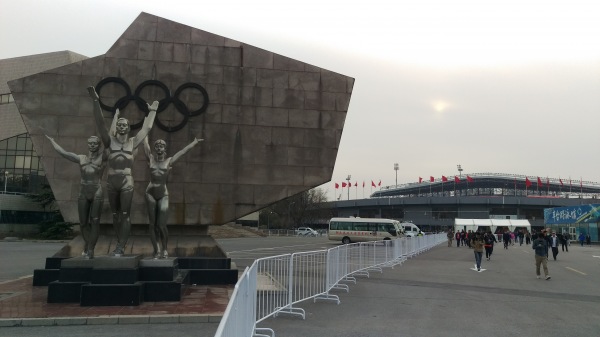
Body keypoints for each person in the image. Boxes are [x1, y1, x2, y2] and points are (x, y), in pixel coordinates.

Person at [89, 86, 158, 256]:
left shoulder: (132, 143)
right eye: (119, 124)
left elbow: (146, 129)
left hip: (127, 181)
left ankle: (121, 246)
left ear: (128, 128)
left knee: (125, 213)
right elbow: (100, 123)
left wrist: (152, 111)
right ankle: (120, 242)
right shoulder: (109, 141)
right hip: (111, 181)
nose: (121, 126)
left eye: (124, 125)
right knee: (114, 214)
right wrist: (95, 100)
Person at [46, 135, 106, 259]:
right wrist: (52, 141)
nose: (92, 145)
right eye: (90, 143)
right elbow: (64, 153)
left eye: (95, 143)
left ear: (99, 145)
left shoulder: (102, 158)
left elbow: (112, 147)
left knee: (94, 221)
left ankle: (90, 249)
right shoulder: (81, 158)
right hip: (83, 191)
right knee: (83, 223)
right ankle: (89, 245)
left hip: (96, 191)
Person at [143, 135, 203, 259]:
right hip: (150, 193)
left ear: (165, 148)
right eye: (157, 146)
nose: (159, 148)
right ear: (155, 148)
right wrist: (145, 133)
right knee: (152, 224)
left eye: (162, 146)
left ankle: (164, 248)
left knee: (161, 225)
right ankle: (156, 250)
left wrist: (194, 142)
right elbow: (146, 146)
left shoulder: (169, 160)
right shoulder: (150, 158)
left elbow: (182, 152)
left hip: (163, 194)